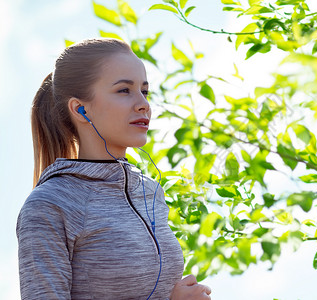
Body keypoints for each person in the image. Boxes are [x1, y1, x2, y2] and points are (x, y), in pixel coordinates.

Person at [16, 38, 212, 300]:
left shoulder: (150, 192)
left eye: (145, 91)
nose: (143, 104)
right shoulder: (50, 204)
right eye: (124, 90)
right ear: (81, 109)